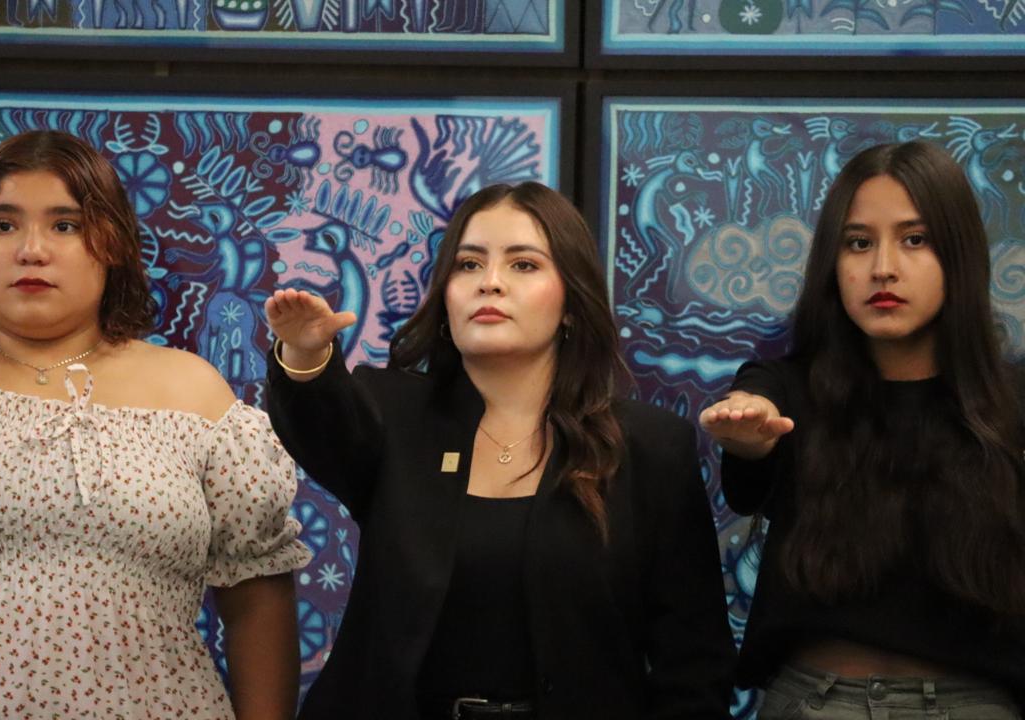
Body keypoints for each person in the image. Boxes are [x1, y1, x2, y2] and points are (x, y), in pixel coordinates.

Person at [0, 130, 311, 719]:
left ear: (112, 244)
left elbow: (257, 593)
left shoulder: (194, 393)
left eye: (65, 225)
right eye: (3, 225)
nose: (32, 250)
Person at [264, 182, 735, 719]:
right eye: (468, 264)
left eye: (523, 265)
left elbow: (694, 662)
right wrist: (305, 356)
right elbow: (323, 426)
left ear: (571, 303)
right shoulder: (392, 413)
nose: (489, 282)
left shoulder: (649, 446)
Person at [701, 141, 1025, 719]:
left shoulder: (1010, 405)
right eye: (858, 243)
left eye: (915, 239)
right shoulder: (788, 388)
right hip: (817, 701)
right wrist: (748, 437)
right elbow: (753, 429)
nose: (883, 268)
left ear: (959, 254)